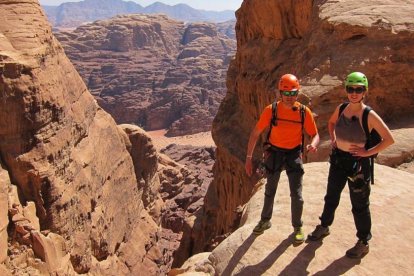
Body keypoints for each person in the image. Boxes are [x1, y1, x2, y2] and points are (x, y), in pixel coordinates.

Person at [308, 72, 395, 258]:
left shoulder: (369, 115)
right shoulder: (342, 108)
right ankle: (324, 226)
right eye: (350, 89)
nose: (354, 93)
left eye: (358, 89)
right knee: (331, 196)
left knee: (360, 205)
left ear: (365, 91)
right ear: (346, 90)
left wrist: (367, 153)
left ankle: (363, 242)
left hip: (358, 165)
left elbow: (389, 139)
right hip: (339, 160)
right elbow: (331, 123)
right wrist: (333, 138)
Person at [245, 74, 320, 243]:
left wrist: (313, 144)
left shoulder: (303, 112)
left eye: (293, 93)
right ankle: (265, 221)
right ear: (280, 93)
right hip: (274, 153)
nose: (289, 97)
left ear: (297, 93)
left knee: (297, 194)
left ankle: (297, 227)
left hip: (294, 153)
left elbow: (315, 134)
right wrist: (248, 158)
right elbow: (255, 133)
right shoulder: (271, 110)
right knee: (270, 190)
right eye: (285, 94)